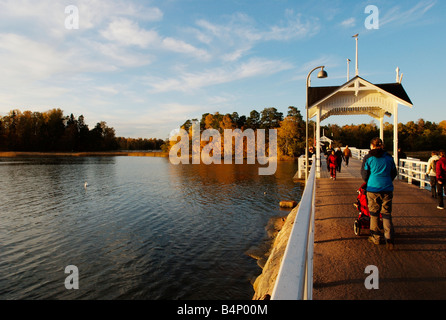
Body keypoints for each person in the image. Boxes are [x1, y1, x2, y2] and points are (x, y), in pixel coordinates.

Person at [361, 137, 397, 250]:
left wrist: (370, 181)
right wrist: (387, 181)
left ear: (372, 145)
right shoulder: (388, 157)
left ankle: (375, 237)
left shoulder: (368, 158)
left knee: (374, 213)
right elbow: (394, 172)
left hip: (373, 188)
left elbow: (364, 174)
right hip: (387, 188)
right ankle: (389, 238)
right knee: (386, 213)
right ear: (382, 145)